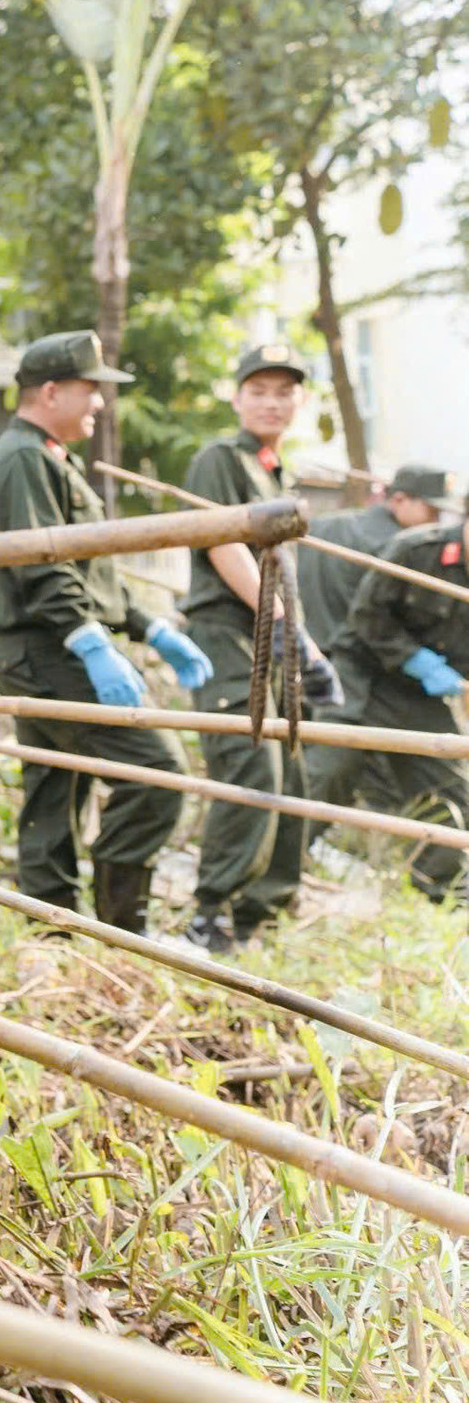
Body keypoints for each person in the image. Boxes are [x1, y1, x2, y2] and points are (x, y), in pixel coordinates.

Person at [0, 331, 210, 934]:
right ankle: (122, 926)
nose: (101, 404)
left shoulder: (49, 456)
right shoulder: (22, 459)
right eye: (92, 391)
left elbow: (90, 570)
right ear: (51, 392)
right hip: (48, 650)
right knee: (158, 777)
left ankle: (56, 933)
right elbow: (43, 564)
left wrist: (149, 628)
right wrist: (91, 643)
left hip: (50, 647)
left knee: (55, 790)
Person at [178, 343, 342, 953]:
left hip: (269, 638)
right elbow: (226, 547)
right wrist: (290, 630)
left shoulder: (273, 468)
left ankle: (261, 911)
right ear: (236, 396)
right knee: (251, 766)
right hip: (228, 633)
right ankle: (210, 910)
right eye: (259, 391)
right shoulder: (221, 457)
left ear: (299, 400)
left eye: (285, 392)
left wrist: (300, 644)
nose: (272, 402)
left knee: (292, 768)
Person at [304, 497, 469, 902]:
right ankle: (269, 878)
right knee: (329, 770)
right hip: (363, 674)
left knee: (448, 789)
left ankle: (443, 894)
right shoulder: (416, 550)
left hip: (419, 695)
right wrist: (415, 659)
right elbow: (366, 615)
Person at [299, 466, 453, 652]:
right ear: (399, 500)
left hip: (307, 646)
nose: (437, 521)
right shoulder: (398, 549)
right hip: (358, 658)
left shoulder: (323, 523)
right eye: (432, 511)